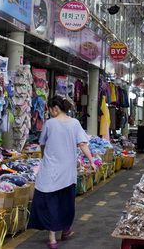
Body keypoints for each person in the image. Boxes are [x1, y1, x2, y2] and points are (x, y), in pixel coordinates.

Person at [28, 96, 97, 248]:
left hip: (50, 170)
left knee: (50, 202)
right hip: (67, 171)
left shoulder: (49, 124)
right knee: (66, 202)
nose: (50, 112)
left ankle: (52, 238)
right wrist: (91, 162)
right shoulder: (75, 123)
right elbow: (83, 144)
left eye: (50, 110)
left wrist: (47, 155)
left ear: (56, 108)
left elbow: (43, 145)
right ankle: (65, 230)